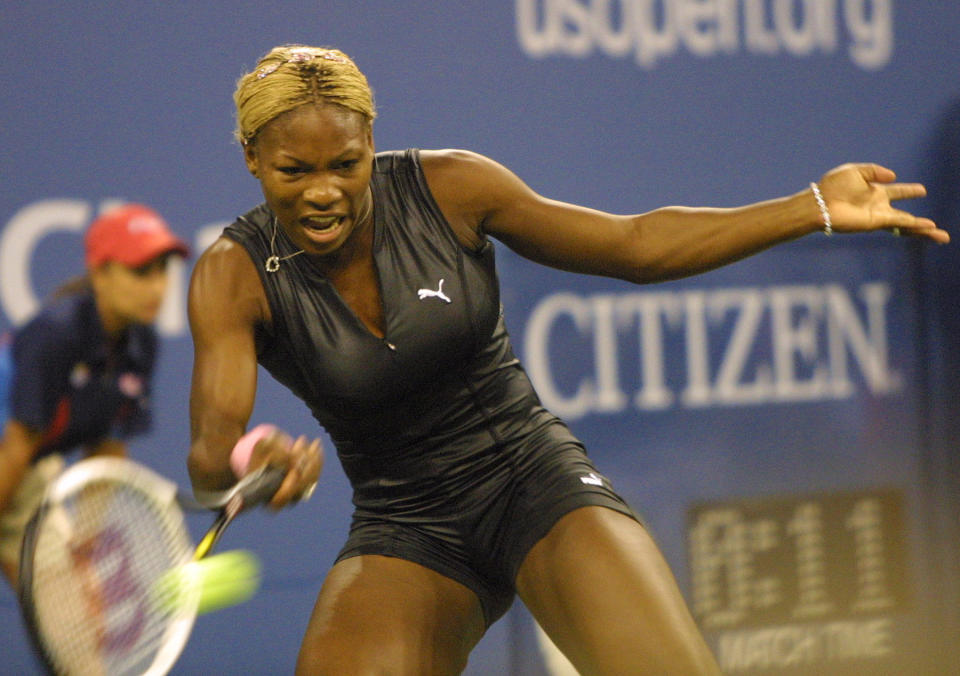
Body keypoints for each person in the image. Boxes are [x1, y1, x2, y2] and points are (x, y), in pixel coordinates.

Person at [185, 44, 949, 675]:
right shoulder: (232, 275)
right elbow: (211, 461)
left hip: (534, 481)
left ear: (372, 145)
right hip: (407, 526)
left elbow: (633, 246)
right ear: (253, 158)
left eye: (345, 165)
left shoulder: (449, 187)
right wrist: (256, 460)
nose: (325, 193)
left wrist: (810, 206)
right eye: (295, 172)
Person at [0, 203, 189, 586]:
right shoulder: (56, 333)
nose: (158, 286)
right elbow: (15, 448)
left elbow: (106, 451)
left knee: (81, 625)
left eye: (162, 271)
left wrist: (83, 552)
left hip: (26, 469)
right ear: (100, 273)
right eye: (140, 271)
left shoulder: (142, 343)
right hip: (11, 458)